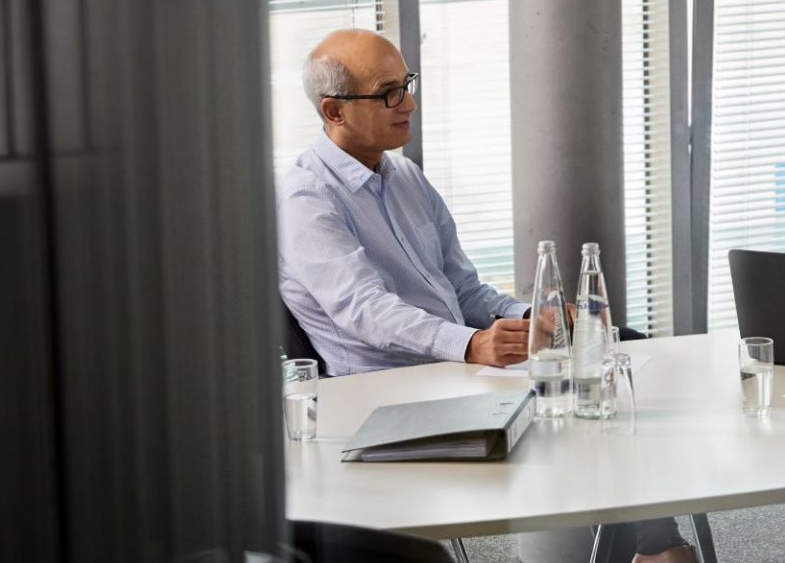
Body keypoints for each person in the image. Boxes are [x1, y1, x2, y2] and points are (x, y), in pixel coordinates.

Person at [276, 29, 694, 563]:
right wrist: (472, 345)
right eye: (388, 93)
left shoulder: (404, 176)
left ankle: (652, 545)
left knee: (616, 351)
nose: (409, 104)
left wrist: (534, 316)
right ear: (334, 110)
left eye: (406, 84)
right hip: (386, 394)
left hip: (453, 370)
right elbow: (364, 312)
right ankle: (656, 548)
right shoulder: (307, 200)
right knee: (580, 411)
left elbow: (463, 288)